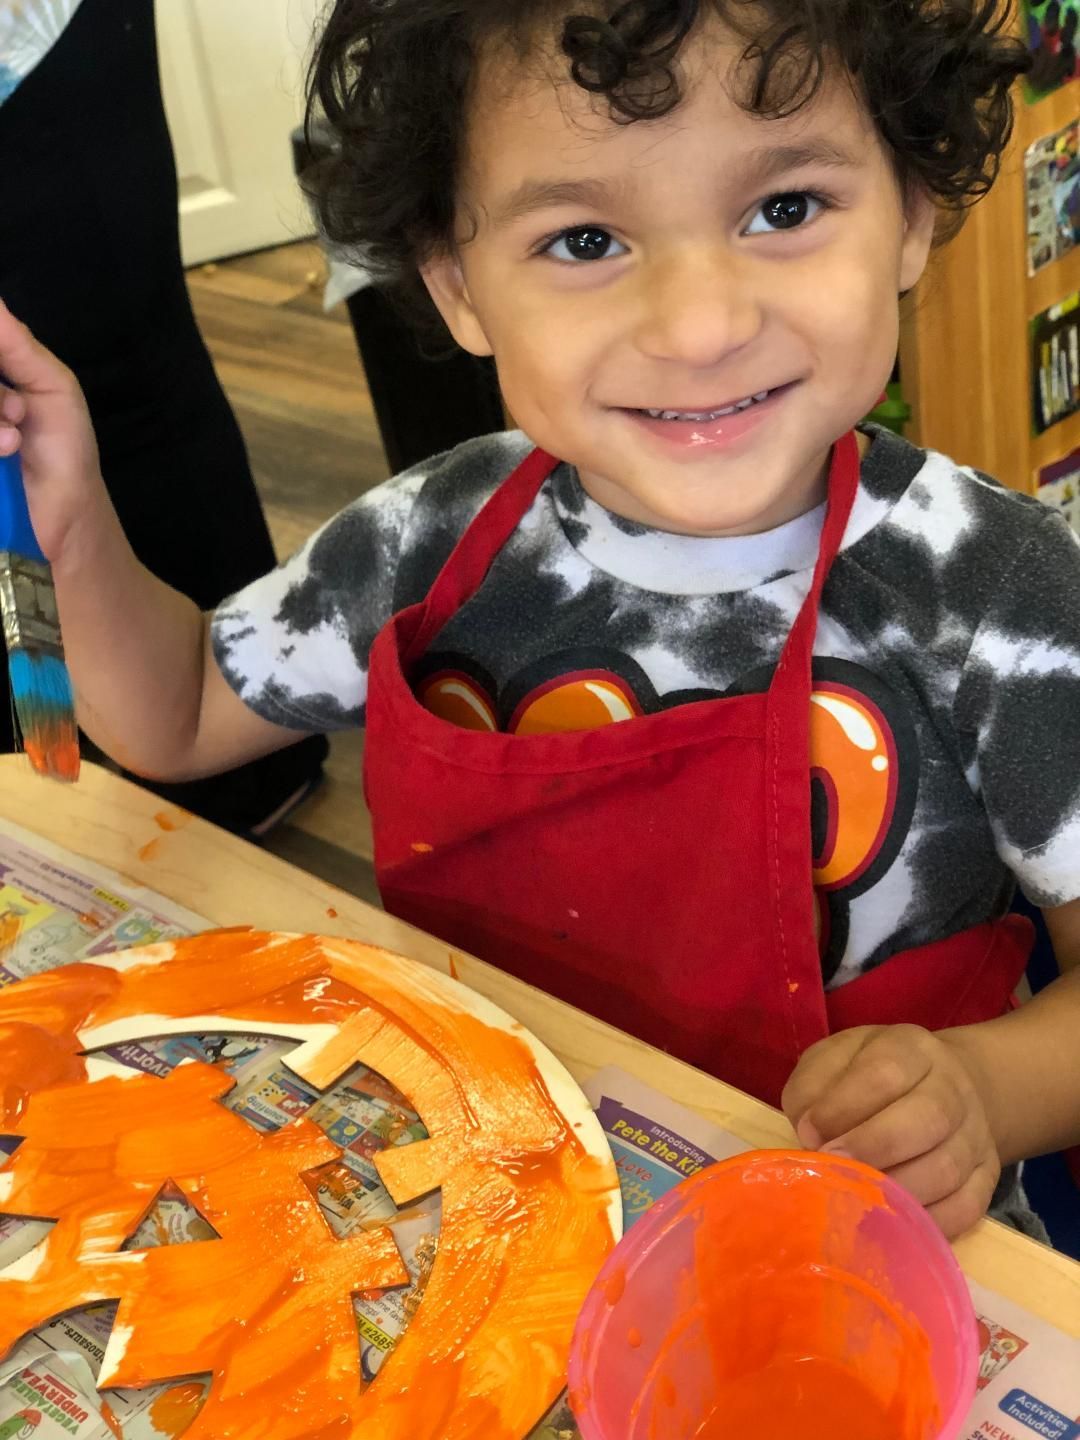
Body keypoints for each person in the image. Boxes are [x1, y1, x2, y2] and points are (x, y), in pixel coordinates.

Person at [2, 0, 1078, 1244]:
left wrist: (980, 1093)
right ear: (456, 285)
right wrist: (68, 520)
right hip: (488, 1224)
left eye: (785, 209)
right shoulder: (431, 536)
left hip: (864, 1260)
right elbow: (178, 714)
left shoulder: (998, 594)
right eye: (584, 239)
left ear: (913, 215)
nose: (700, 327)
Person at [0, 0, 326, 835]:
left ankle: (242, 785)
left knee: (109, 369)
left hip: (29, 51)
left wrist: (72, 536)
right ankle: (40, 787)